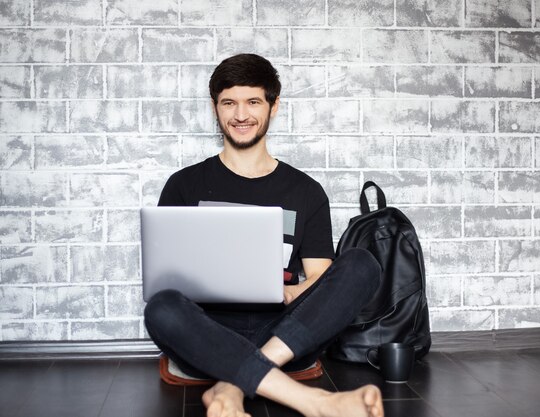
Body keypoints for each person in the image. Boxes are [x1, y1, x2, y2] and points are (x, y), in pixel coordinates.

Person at [144, 53, 384, 417]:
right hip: (208, 333)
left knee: (362, 265)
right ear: (215, 108)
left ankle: (231, 383)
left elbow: (321, 277)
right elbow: (167, 282)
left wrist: (290, 291)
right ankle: (314, 402)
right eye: (229, 103)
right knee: (161, 308)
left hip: (286, 333)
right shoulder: (183, 185)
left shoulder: (306, 191)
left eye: (253, 101)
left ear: (273, 107)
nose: (241, 115)